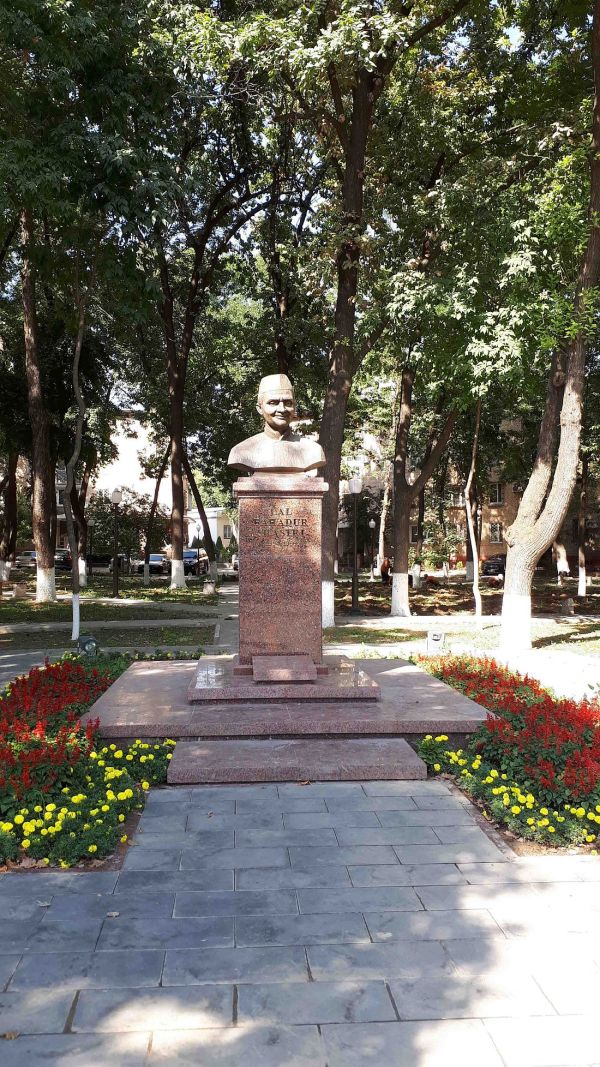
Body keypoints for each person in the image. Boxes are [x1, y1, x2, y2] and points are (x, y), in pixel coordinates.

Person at [228, 373, 326, 475]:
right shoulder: (241, 451)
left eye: (288, 403)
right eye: (273, 403)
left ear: (295, 407)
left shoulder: (313, 450)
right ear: (259, 408)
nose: (282, 409)